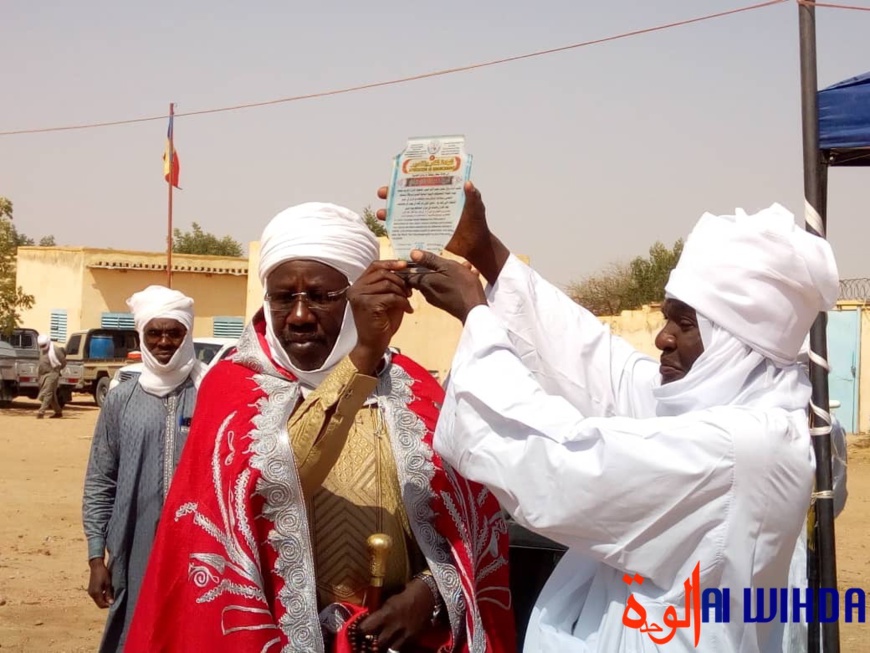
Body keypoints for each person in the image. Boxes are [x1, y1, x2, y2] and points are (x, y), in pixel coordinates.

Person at [386, 183, 839, 652]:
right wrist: (485, 249)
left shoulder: (742, 448)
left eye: (685, 324)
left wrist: (477, 317)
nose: (662, 339)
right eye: (666, 319)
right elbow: (600, 364)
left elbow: (560, 464)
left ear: (737, 344)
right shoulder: (727, 405)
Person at [126, 203, 514, 653]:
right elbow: (281, 477)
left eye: (323, 297)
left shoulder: (415, 391)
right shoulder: (232, 388)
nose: (299, 316)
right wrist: (363, 355)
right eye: (282, 297)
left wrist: (430, 595)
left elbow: (475, 523)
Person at [82, 286, 206, 653]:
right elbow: (100, 479)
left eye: (174, 332)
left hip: (197, 545)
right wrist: (95, 557)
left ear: (187, 334)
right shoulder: (123, 398)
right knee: (134, 632)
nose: (164, 341)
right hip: (135, 547)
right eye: (154, 332)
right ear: (142, 336)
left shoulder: (209, 390)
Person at [36, 334, 66, 418]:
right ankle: (58, 412)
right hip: (43, 374)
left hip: (52, 373)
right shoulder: (42, 350)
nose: (42, 347)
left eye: (44, 345)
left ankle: (41, 412)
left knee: (46, 393)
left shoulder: (55, 350)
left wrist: (58, 370)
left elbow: (63, 362)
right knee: (51, 395)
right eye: (41, 346)